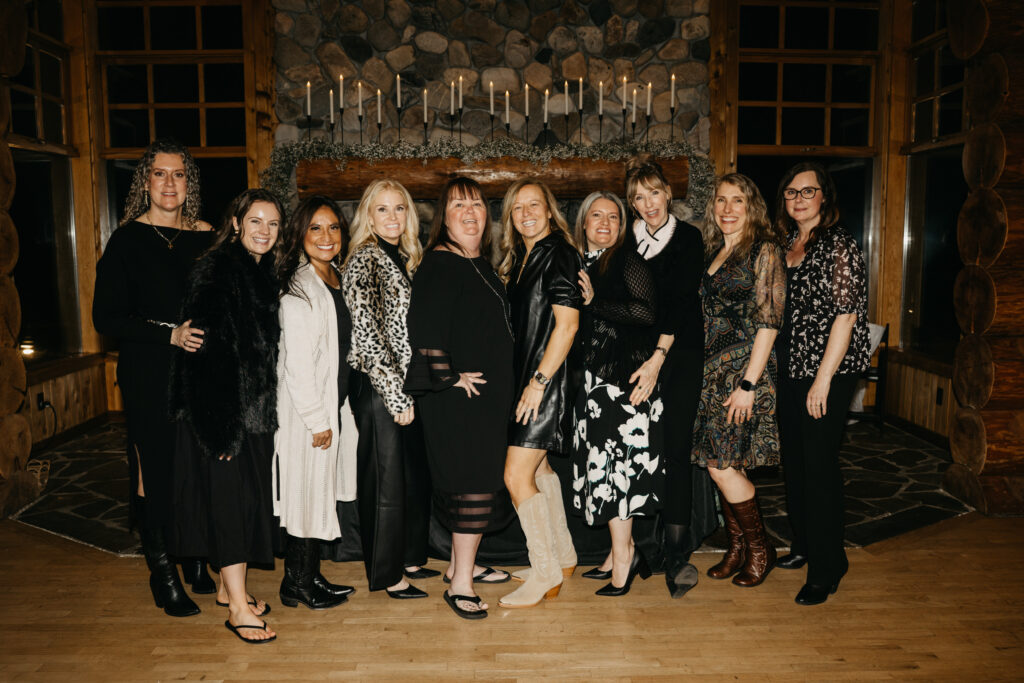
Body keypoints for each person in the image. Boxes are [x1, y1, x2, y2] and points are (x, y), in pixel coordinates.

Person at [93, 138, 215, 618]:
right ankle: (162, 571)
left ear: (190, 183)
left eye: (178, 174)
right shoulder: (126, 241)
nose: (169, 183)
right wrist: (169, 335)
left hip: (199, 371)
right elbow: (106, 319)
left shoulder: (207, 235)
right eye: (160, 173)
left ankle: (197, 557)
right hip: (149, 370)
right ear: (145, 181)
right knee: (156, 470)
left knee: (198, 466)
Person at [170, 188, 285, 643]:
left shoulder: (259, 270)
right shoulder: (218, 268)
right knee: (230, 508)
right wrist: (221, 430)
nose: (264, 231)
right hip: (222, 416)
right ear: (236, 223)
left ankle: (225, 589)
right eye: (255, 221)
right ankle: (238, 609)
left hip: (250, 413)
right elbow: (206, 355)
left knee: (244, 504)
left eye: (273, 223)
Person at [404, 178, 516, 619]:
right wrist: (448, 378)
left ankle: (458, 565)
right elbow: (424, 329)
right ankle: (461, 585)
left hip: (485, 402)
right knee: (472, 488)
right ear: (443, 218)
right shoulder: (440, 263)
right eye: (458, 206)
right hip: (460, 403)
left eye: (477, 205)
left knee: (479, 482)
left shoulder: (478, 263)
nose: (470, 213)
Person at [774, 162, 871, 605]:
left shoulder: (839, 243)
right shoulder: (786, 243)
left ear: (824, 197)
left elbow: (846, 317)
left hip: (828, 371)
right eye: (791, 192)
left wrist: (823, 381)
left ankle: (827, 567)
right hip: (790, 369)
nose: (798, 199)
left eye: (807, 191)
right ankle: (805, 544)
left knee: (819, 467)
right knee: (795, 464)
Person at [620, 159, 712, 598]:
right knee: (639, 447)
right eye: (638, 197)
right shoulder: (626, 239)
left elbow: (679, 302)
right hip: (637, 358)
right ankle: (644, 547)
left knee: (674, 449)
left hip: (680, 355)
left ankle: (676, 552)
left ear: (668, 194)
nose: (648, 203)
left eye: (654, 192)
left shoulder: (689, 237)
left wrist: (658, 357)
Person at [693, 173, 786, 589]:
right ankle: (737, 549)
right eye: (721, 200)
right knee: (728, 464)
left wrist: (748, 385)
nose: (727, 209)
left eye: (737, 201)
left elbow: (769, 321)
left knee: (722, 467)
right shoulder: (714, 250)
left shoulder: (764, 250)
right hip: (711, 375)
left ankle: (761, 550)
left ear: (752, 207)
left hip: (744, 375)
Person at [341, 179, 433, 599]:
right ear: (368, 215)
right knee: (385, 483)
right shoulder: (364, 259)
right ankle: (387, 574)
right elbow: (369, 334)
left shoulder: (403, 256)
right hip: (379, 385)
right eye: (383, 209)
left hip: (403, 383)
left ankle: (409, 558)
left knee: (409, 477)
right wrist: (395, 394)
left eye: (399, 208)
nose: (392, 217)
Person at [571, 191, 662, 597]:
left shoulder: (627, 259)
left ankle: (625, 558)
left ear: (622, 226)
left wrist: (596, 303)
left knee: (617, 473)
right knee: (603, 471)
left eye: (613, 217)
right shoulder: (581, 261)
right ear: (583, 223)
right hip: (594, 385)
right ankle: (616, 552)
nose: (605, 223)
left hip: (624, 386)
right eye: (597, 215)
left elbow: (646, 312)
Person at [497, 178, 582, 609]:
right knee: (542, 469)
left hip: (547, 382)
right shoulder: (526, 256)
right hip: (533, 379)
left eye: (534, 205)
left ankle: (544, 570)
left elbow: (568, 325)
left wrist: (538, 383)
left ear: (550, 210)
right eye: (518, 207)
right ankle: (563, 557)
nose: (526, 213)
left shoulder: (559, 252)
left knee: (516, 476)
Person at [273, 196, 358, 610]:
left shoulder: (334, 277)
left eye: (334, 228)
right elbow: (297, 365)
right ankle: (297, 585)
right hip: (307, 412)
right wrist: (315, 418)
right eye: (316, 228)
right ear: (300, 234)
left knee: (319, 491)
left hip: (332, 404)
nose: (327, 237)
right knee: (305, 494)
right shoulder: (298, 289)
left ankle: (309, 574)